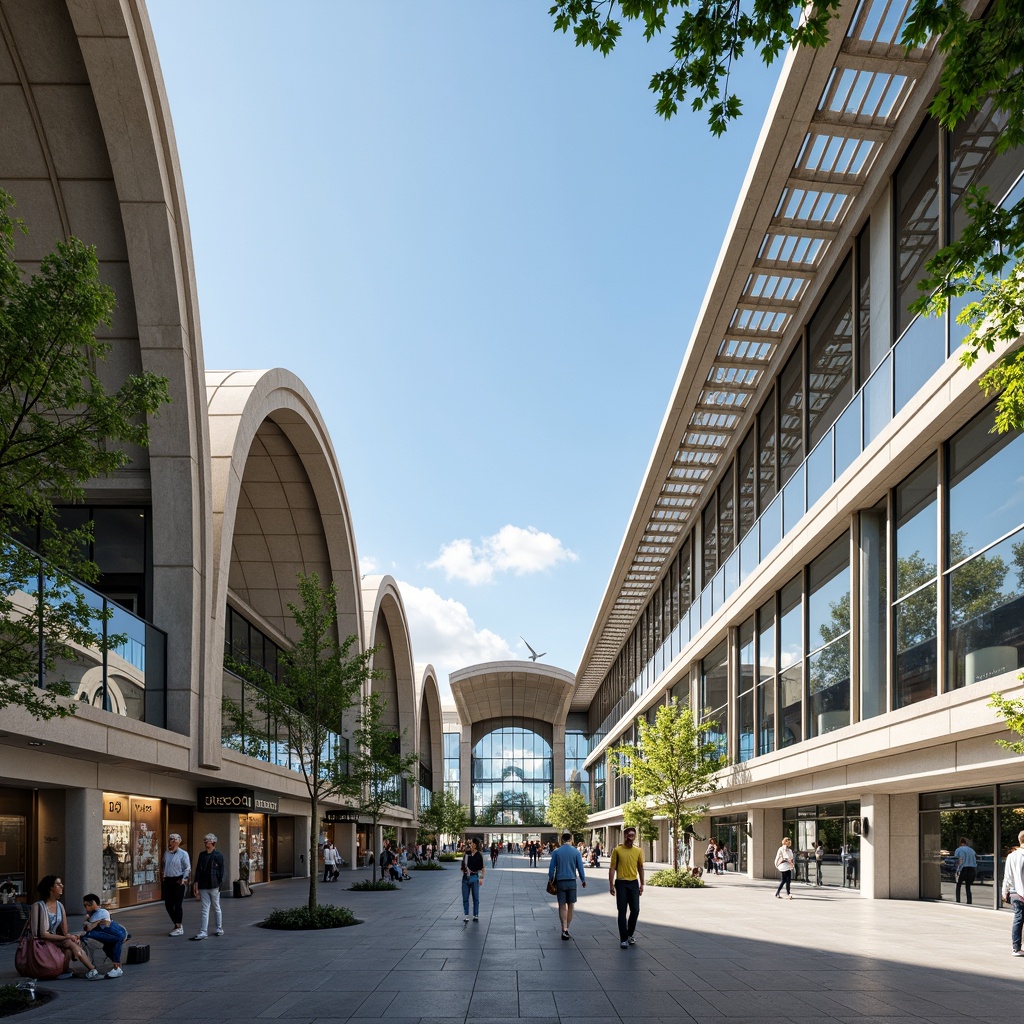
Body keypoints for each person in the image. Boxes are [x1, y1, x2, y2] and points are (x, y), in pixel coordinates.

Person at [30, 876, 100, 979]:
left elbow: (65, 932)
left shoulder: (60, 906)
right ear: (50, 888)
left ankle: (65, 971)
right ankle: (92, 969)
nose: (62, 886)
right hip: (40, 942)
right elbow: (42, 934)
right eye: (58, 884)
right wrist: (67, 938)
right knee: (69, 944)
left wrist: (73, 937)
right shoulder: (38, 906)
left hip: (54, 939)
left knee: (70, 947)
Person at [609, 826, 644, 949]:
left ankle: (630, 934)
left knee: (636, 910)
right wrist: (611, 884)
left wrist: (642, 883)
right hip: (621, 883)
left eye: (632, 836)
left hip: (634, 883)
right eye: (628, 835)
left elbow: (640, 867)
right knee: (622, 911)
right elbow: (612, 867)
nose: (630, 838)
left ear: (635, 837)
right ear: (624, 836)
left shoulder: (638, 851)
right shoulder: (617, 850)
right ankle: (623, 939)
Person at [548, 832, 587, 940]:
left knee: (562, 905)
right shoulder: (576, 852)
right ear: (571, 839)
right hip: (571, 881)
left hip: (560, 881)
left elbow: (552, 868)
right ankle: (567, 929)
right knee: (571, 905)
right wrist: (583, 879)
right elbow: (580, 868)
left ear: (561, 840)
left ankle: (563, 927)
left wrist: (550, 878)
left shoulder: (556, 852)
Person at [80, 892, 126, 977]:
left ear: (96, 904)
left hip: (114, 932)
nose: (87, 907)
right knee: (108, 945)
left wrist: (93, 923)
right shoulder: (93, 914)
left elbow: (90, 927)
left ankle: (116, 967)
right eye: (85, 905)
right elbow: (88, 926)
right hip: (108, 934)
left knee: (87, 936)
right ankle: (116, 967)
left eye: (89, 904)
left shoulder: (101, 912)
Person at [191, 833, 225, 940]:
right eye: (205, 840)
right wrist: (196, 883)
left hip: (214, 885)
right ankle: (203, 931)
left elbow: (221, 870)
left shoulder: (218, 855)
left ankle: (219, 928)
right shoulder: (202, 855)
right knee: (205, 908)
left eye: (208, 840)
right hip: (203, 885)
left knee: (216, 907)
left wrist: (219, 883)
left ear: (213, 842)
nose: (206, 842)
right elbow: (198, 870)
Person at [161, 832, 191, 936]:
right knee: (168, 904)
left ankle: (178, 926)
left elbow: (187, 867)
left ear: (179, 842)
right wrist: (163, 874)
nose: (172, 842)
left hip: (178, 879)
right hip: (168, 879)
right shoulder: (166, 853)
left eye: (174, 840)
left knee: (177, 904)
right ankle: (177, 923)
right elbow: (165, 865)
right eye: (170, 840)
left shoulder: (183, 854)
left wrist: (184, 878)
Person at [1002, 830, 1024, 955]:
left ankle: (1016, 947)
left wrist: (1005, 891)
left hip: (1015, 892)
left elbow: (1008, 876)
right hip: (1019, 892)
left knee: (1018, 918)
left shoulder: (1012, 856)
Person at [461, 838, 485, 921]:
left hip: (474, 878)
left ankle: (475, 914)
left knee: (476, 898)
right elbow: (462, 865)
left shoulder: (479, 855)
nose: (471, 845)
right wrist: (464, 870)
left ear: (475, 845)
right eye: (471, 843)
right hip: (465, 878)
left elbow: (483, 869)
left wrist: (481, 879)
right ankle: (466, 915)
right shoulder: (467, 854)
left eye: (472, 843)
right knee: (465, 898)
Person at [954, 837, 978, 905]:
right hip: (972, 869)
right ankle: (969, 901)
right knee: (968, 886)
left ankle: (958, 900)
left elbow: (958, 860)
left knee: (958, 885)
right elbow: (976, 857)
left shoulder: (959, 850)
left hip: (963, 868)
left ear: (960, 843)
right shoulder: (972, 850)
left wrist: (957, 869)